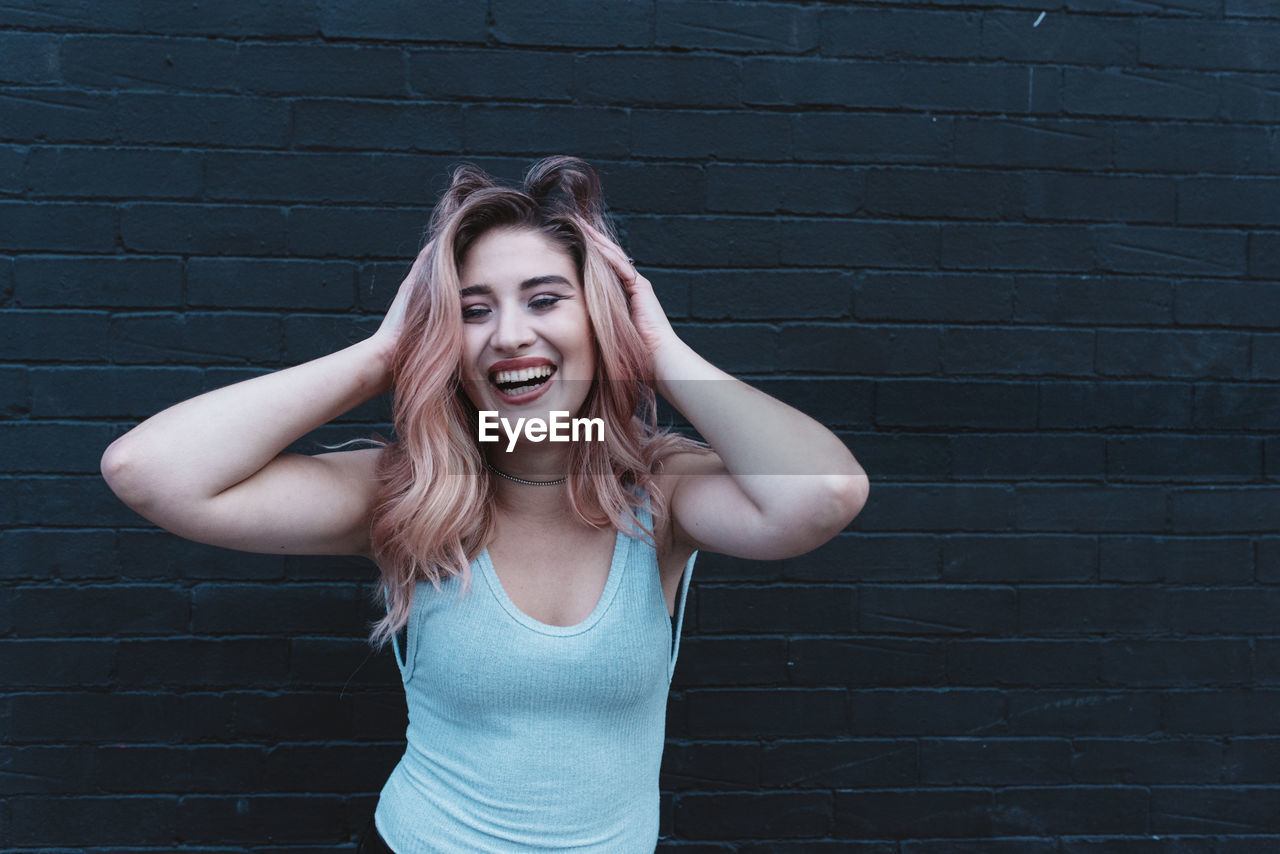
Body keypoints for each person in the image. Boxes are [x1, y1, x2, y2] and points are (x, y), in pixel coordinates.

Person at [100, 156, 869, 853]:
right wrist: (380, 355)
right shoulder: (405, 491)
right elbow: (149, 471)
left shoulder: (659, 495)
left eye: (545, 300)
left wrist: (659, 353)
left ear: (599, 320)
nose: (509, 335)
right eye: (472, 310)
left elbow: (824, 495)